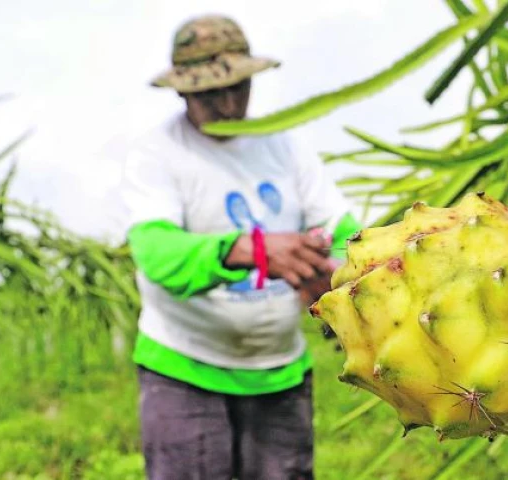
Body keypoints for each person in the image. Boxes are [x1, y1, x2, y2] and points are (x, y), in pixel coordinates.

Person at [118, 14, 362, 480]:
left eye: (238, 88)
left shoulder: (284, 145)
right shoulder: (158, 154)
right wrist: (250, 250)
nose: (229, 104)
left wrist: (337, 268)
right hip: (185, 372)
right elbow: (157, 253)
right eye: (211, 93)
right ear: (183, 91)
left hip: (279, 372)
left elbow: (342, 227)